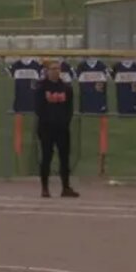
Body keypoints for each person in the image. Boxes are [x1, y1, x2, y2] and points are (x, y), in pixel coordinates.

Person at [34, 61, 80, 198]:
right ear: (47, 71)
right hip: (46, 128)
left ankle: (65, 188)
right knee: (46, 157)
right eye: (52, 69)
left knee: (64, 158)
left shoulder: (66, 88)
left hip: (62, 128)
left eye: (57, 69)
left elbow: (69, 108)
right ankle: (45, 188)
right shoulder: (41, 87)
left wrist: (64, 122)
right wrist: (49, 121)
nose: (55, 71)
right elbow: (38, 108)